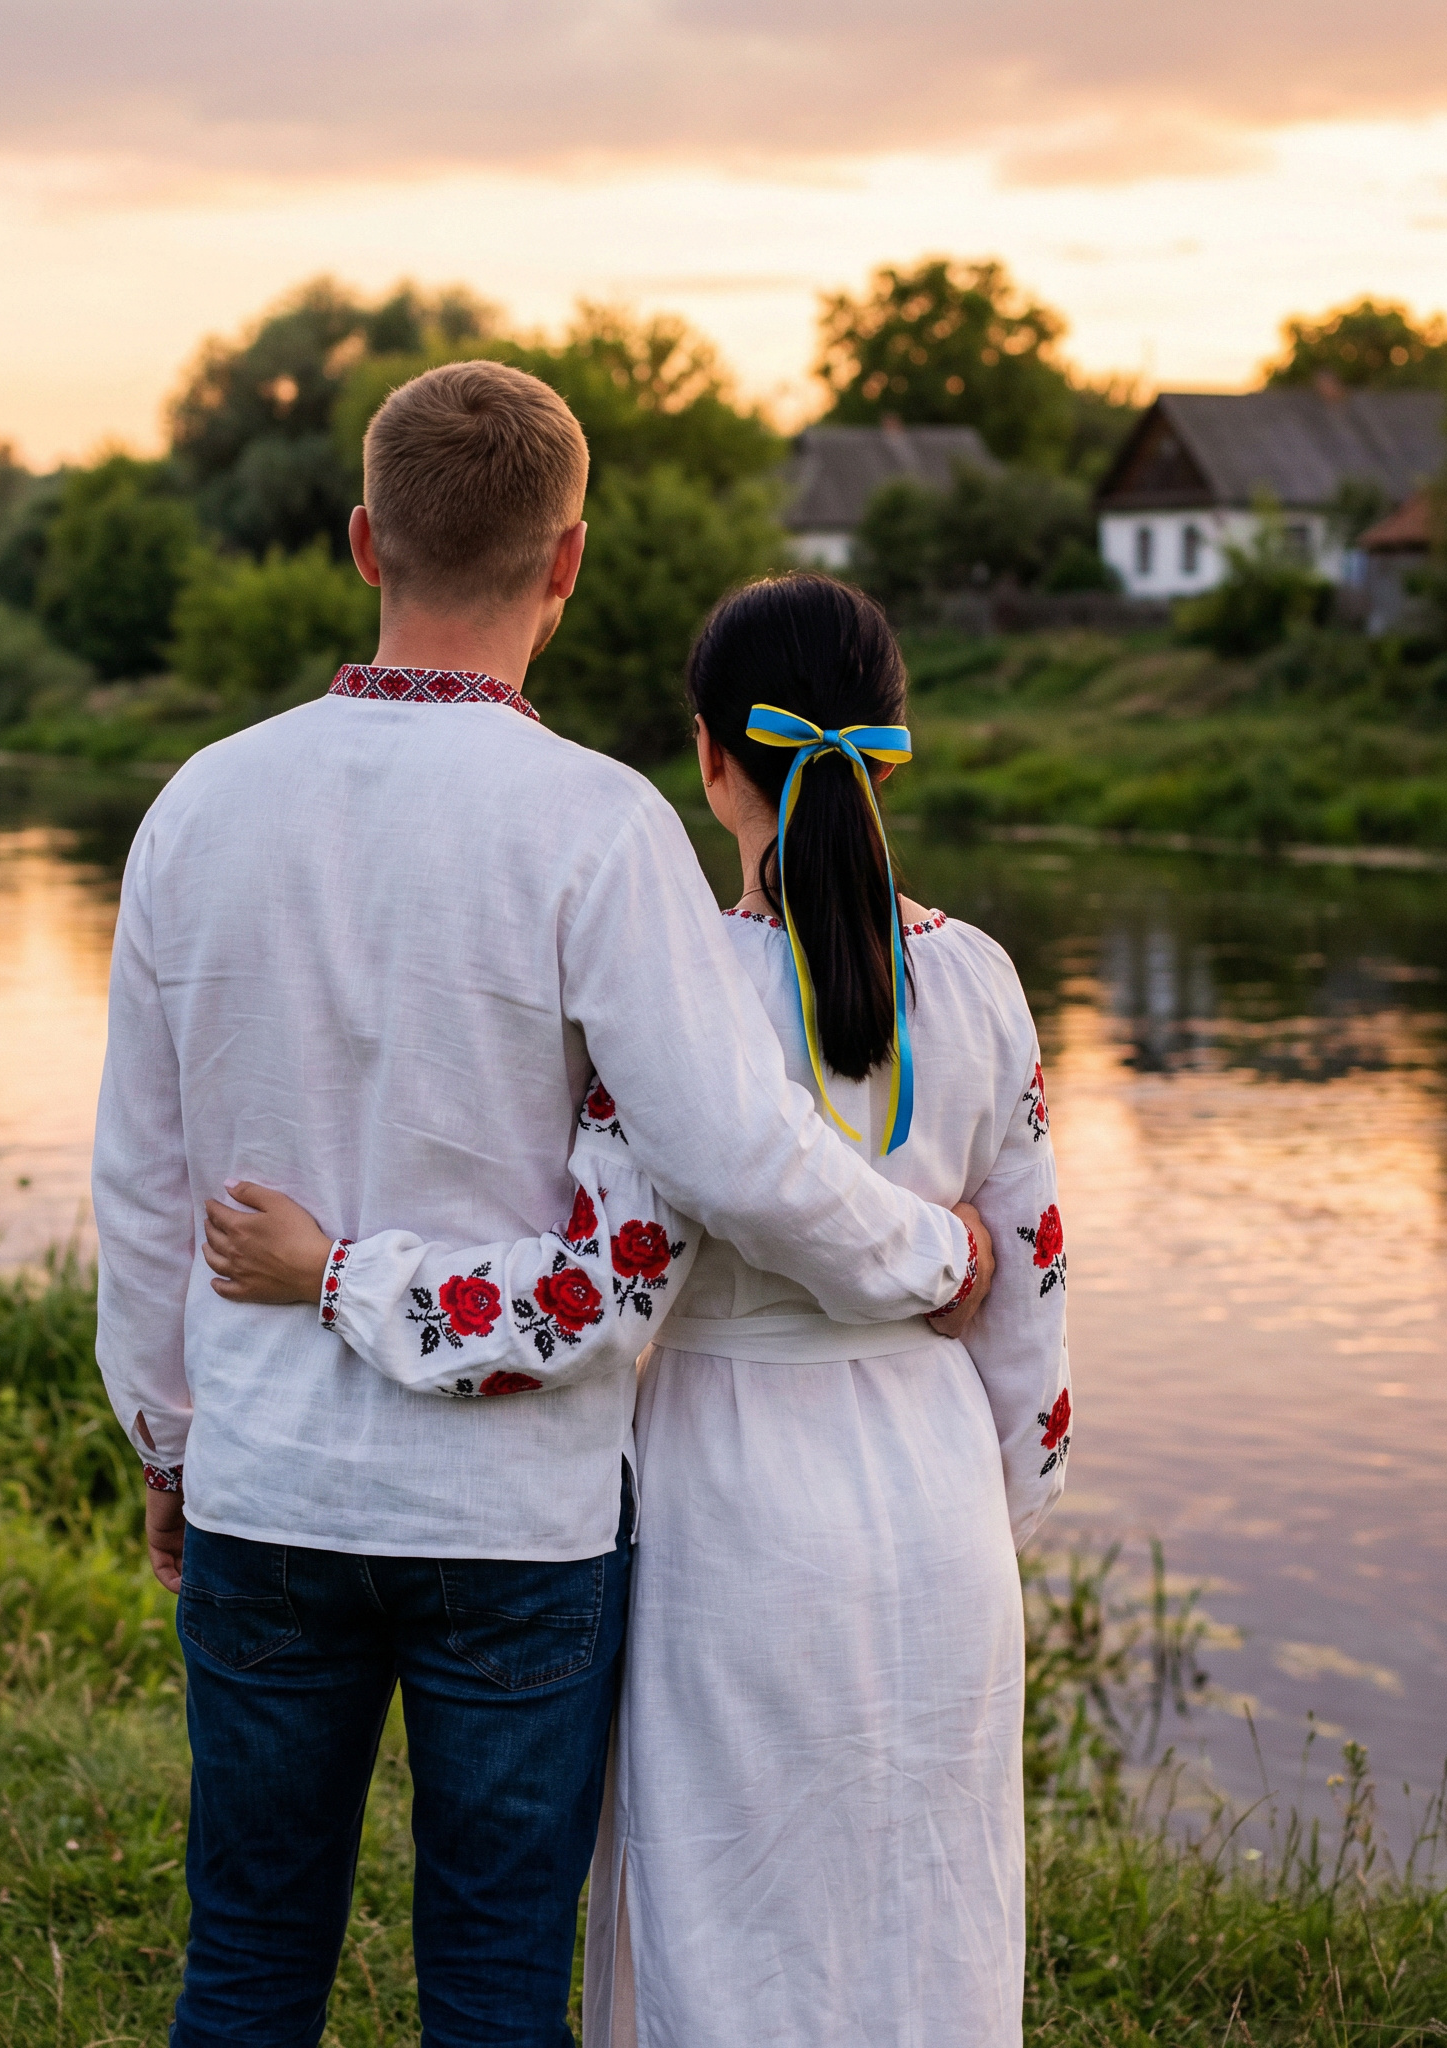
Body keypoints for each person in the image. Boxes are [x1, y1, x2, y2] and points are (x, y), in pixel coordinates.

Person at [90, 363, 990, 2047]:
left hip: (269, 1488)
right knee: (499, 1993)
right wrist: (931, 1253)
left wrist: (167, 1445)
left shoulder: (197, 803)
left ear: (363, 540)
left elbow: (142, 1186)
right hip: (516, 1519)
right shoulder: (602, 826)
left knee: (247, 1963)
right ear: (568, 562)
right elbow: (730, 1152)